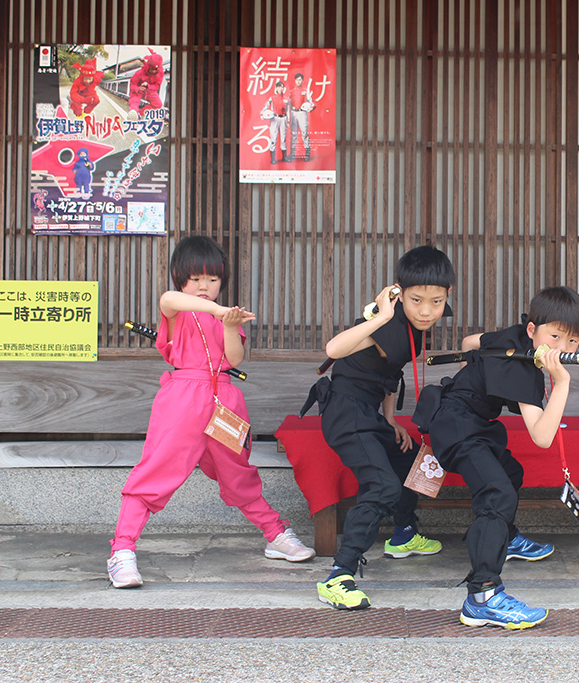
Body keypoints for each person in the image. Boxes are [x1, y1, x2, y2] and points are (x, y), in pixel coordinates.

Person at [107, 236, 313, 589]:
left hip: (225, 399)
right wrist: (217, 311)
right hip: (183, 398)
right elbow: (167, 299)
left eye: (213, 279)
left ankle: (275, 534)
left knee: (239, 473)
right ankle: (122, 551)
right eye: (196, 278)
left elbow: (233, 360)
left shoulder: (225, 318)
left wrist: (230, 325)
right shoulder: (179, 307)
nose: (204, 286)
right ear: (179, 276)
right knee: (155, 472)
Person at [412, 286, 579, 630]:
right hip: (456, 425)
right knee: (498, 494)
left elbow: (470, 342)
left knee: (510, 472)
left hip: (474, 423)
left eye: (572, 341)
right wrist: (563, 383)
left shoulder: (513, 336)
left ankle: (505, 538)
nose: (562, 348)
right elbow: (541, 437)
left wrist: (478, 366)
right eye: (554, 336)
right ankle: (483, 595)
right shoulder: (521, 367)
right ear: (532, 329)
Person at [301, 246, 456, 610]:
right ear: (399, 294)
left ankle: (402, 534)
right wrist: (382, 314)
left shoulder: (415, 327)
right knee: (382, 485)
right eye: (416, 300)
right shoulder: (387, 321)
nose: (425, 310)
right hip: (345, 411)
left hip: (370, 412)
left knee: (408, 460)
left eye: (436, 302)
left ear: (448, 296)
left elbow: (390, 374)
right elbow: (335, 348)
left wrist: (390, 421)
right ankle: (338, 575)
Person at [285, 72, 314, 162]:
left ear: (302, 80)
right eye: (297, 79)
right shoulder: (291, 92)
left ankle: (307, 154)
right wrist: (288, 117)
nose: (298, 81)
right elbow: (288, 105)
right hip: (294, 113)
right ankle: (292, 154)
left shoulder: (306, 91)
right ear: (295, 81)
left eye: (300, 79)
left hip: (302, 113)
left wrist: (311, 108)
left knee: (304, 133)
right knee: (293, 134)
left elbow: (312, 103)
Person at [260, 79, 290, 165]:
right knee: (273, 137)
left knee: (283, 138)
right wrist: (262, 114)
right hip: (274, 118)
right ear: (276, 88)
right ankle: (273, 158)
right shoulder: (272, 97)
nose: (281, 88)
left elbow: (288, 110)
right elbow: (266, 106)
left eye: (282, 87)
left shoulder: (286, 98)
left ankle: (284, 157)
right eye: (279, 87)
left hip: (283, 118)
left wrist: (288, 120)